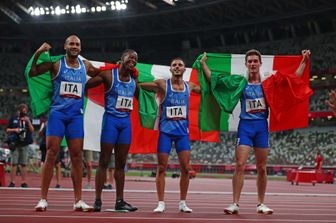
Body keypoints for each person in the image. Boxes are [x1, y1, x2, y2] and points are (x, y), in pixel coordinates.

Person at [200, 50, 310, 215]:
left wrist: (304, 61)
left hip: (261, 127)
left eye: (255, 61)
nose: (252, 64)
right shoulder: (240, 83)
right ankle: (235, 203)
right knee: (239, 165)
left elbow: (292, 79)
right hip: (245, 126)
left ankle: (261, 204)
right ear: (246, 64)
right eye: (249, 61)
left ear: (260, 64)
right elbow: (214, 79)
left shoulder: (268, 83)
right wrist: (203, 64)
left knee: (262, 167)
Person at [29, 35, 100, 211]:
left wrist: (120, 68)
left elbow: (102, 74)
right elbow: (33, 72)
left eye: (77, 44)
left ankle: (78, 200)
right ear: (65, 46)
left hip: (76, 117)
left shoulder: (86, 66)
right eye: (72, 44)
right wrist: (38, 52)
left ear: (80, 48)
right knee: (51, 154)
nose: (74, 46)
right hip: (57, 115)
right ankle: (43, 199)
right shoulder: (57, 65)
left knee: (77, 157)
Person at [138, 57, 203, 213]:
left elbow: (207, 90)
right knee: (161, 167)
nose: (177, 67)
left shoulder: (190, 86)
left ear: (184, 70)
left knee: (186, 168)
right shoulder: (163, 84)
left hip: (182, 134)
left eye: (180, 65)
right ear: (170, 69)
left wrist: (203, 67)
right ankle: (161, 203)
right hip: (166, 133)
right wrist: (132, 75)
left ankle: (182, 202)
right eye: (174, 65)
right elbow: (142, 86)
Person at [86, 49, 139, 212]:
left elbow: (142, 97)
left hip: (125, 125)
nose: (133, 60)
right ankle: (98, 200)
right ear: (121, 58)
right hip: (110, 122)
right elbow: (85, 86)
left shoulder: (134, 82)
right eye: (130, 57)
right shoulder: (109, 75)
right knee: (103, 161)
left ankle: (120, 201)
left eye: (136, 59)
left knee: (121, 164)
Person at [6, 104, 34, 188]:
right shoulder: (13, 119)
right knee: (14, 163)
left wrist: (28, 121)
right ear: (18, 111)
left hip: (24, 144)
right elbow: (7, 129)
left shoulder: (28, 119)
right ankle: (12, 182)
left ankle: (24, 182)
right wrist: (15, 130)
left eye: (25, 111)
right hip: (15, 143)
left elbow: (32, 130)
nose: (23, 112)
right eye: (22, 111)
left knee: (23, 164)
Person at [39, 120, 62, 188]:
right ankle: (43, 182)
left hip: (55, 144)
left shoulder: (58, 122)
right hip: (45, 145)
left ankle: (58, 183)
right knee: (44, 164)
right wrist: (44, 126)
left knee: (57, 165)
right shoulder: (44, 123)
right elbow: (40, 134)